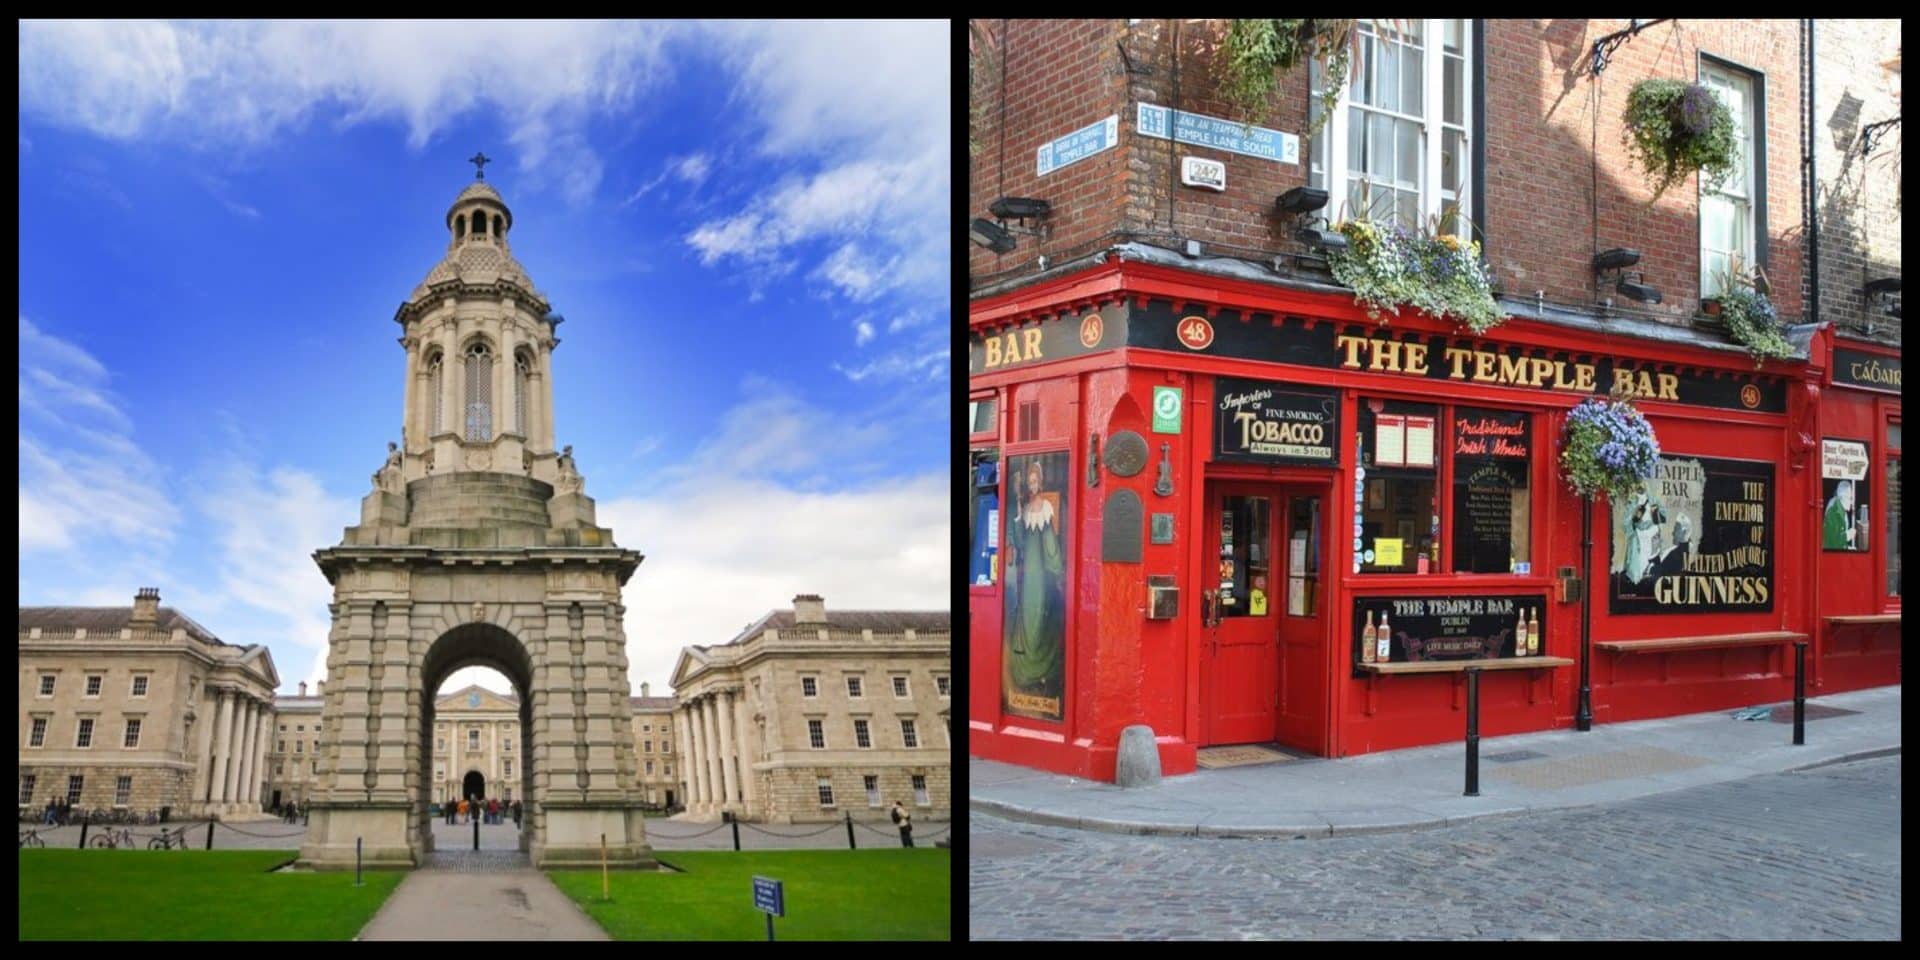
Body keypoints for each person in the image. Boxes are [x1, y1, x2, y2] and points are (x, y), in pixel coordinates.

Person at [1824, 479, 1858, 550]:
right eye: (1850, 498)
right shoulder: (1833, 512)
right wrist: (1848, 535)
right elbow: (1833, 540)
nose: (1851, 502)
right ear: (1843, 497)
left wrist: (1847, 548)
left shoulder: (1841, 509)